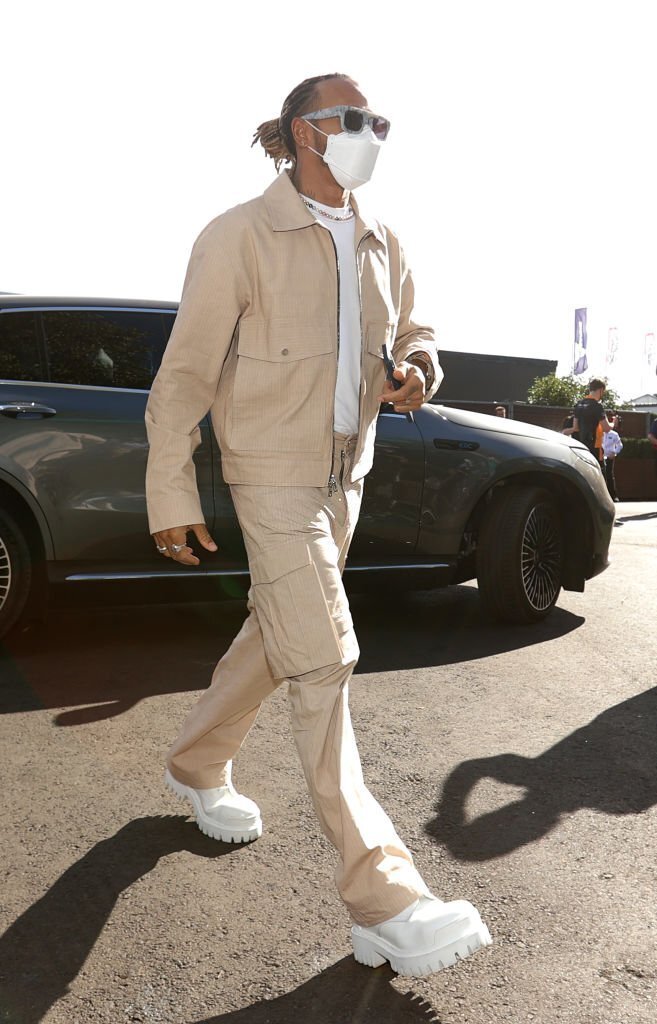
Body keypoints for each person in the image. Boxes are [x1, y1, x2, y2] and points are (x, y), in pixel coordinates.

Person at [143, 73, 491, 979]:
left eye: (381, 122)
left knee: (278, 635)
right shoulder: (238, 235)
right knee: (324, 656)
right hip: (269, 477)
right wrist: (170, 490)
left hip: (346, 478)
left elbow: (414, 330)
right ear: (305, 131)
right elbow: (184, 374)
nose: (373, 133)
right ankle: (385, 899)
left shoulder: (382, 238)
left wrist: (417, 368)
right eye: (355, 119)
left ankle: (195, 763)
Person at [573, 379, 616, 460]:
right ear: (601, 390)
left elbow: (575, 427)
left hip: (580, 445)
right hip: (594, 446)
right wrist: (613, 423)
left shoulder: (579, 404)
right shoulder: (597, 406)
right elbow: (606, 428)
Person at [601, 414, 622, 501]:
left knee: (609, 475)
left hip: (610, 457)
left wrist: (614, 453)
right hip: (601, 457)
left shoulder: (614, 434)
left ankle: (613, 496)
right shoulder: (600, 432)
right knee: (601, 475)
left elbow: (619, 445)